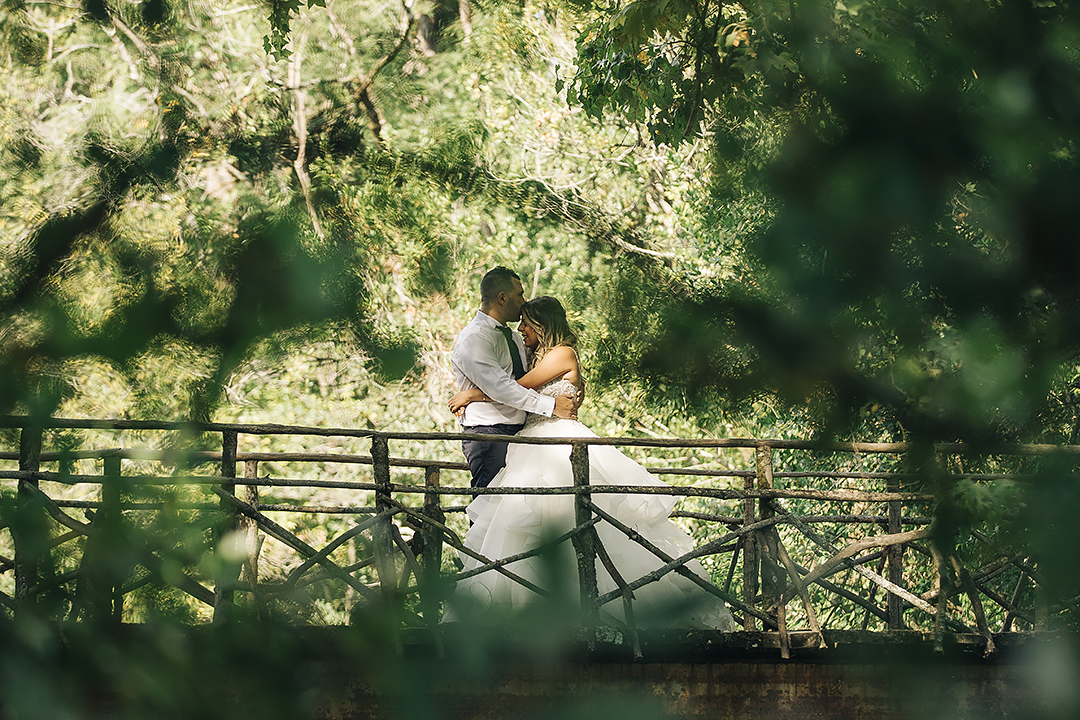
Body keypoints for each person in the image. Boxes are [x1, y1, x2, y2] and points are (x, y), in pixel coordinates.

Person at [446, 296, 735, 630]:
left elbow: (516, 388)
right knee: (526, 525)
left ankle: (585, 612)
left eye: (526, 323)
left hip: (557, 441)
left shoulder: (562, 353)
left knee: (569, 518)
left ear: (543, 325)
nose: (521, 329)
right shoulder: (537, 355)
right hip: (533, 441)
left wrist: (474, 394)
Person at [450, 267, 577, 489]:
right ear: (502, 298)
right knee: (490, 507)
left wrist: (472, 395)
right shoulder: (475, 338)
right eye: (519, 294)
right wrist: (552, 405)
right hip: (490, 434)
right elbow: (501, 388)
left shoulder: (515, 339)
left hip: (520, 435)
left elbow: (520, 382)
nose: (523, 300)